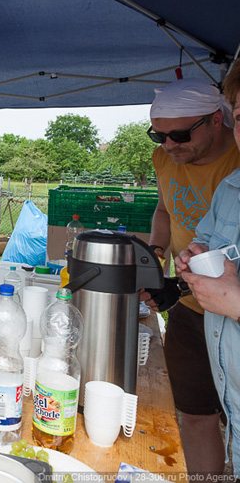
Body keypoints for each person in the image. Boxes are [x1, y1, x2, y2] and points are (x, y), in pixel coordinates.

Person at [139, 78, 240, 475]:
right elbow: (165, 212)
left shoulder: (234, 165)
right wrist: (160, 259)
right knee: (194, 415)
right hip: (189, 309)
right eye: (159, 135)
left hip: (229, 319)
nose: (168, 145)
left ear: (217, 120)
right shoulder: (167, 161)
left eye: (180, 134)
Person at [175, 65, 240, 478]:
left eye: (179, 134)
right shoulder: (232, 189)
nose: (168, 145)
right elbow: (206, 238)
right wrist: (192, 254)